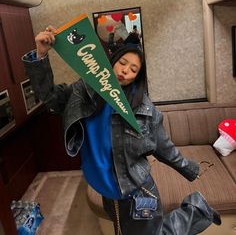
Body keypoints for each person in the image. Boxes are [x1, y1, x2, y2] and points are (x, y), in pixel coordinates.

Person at [22, 25, 221, 235]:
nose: (125, 71)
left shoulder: (143, 109)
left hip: (137, 190)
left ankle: (197, 210)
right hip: (107, 190)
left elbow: (163, 147)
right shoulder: (84, 90)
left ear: (137, 76)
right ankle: (198, 209)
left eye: (133, 69)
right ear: (112, 62)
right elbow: (51, 100)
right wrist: (41, 55)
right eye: (122, 63)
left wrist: (191, 169)